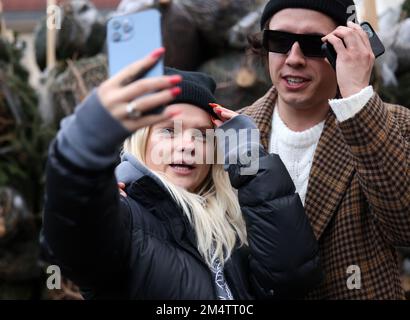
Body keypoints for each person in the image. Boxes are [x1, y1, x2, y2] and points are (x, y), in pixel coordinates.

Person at [40, 48, 322, 299]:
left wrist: (250, 162)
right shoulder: (122, 213)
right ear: (141, 139)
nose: (187, 145)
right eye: (168, 130)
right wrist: (83, 151)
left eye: (201, 135)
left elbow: (291, 280)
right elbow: (72, 242)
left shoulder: (234, 219)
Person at [241, 0, 410, 299]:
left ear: (344, 49)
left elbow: (404, 226)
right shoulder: (235, 132)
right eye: (279, 41)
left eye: (312, 45)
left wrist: (357, 98)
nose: (293, 58)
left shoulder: (394, 124)